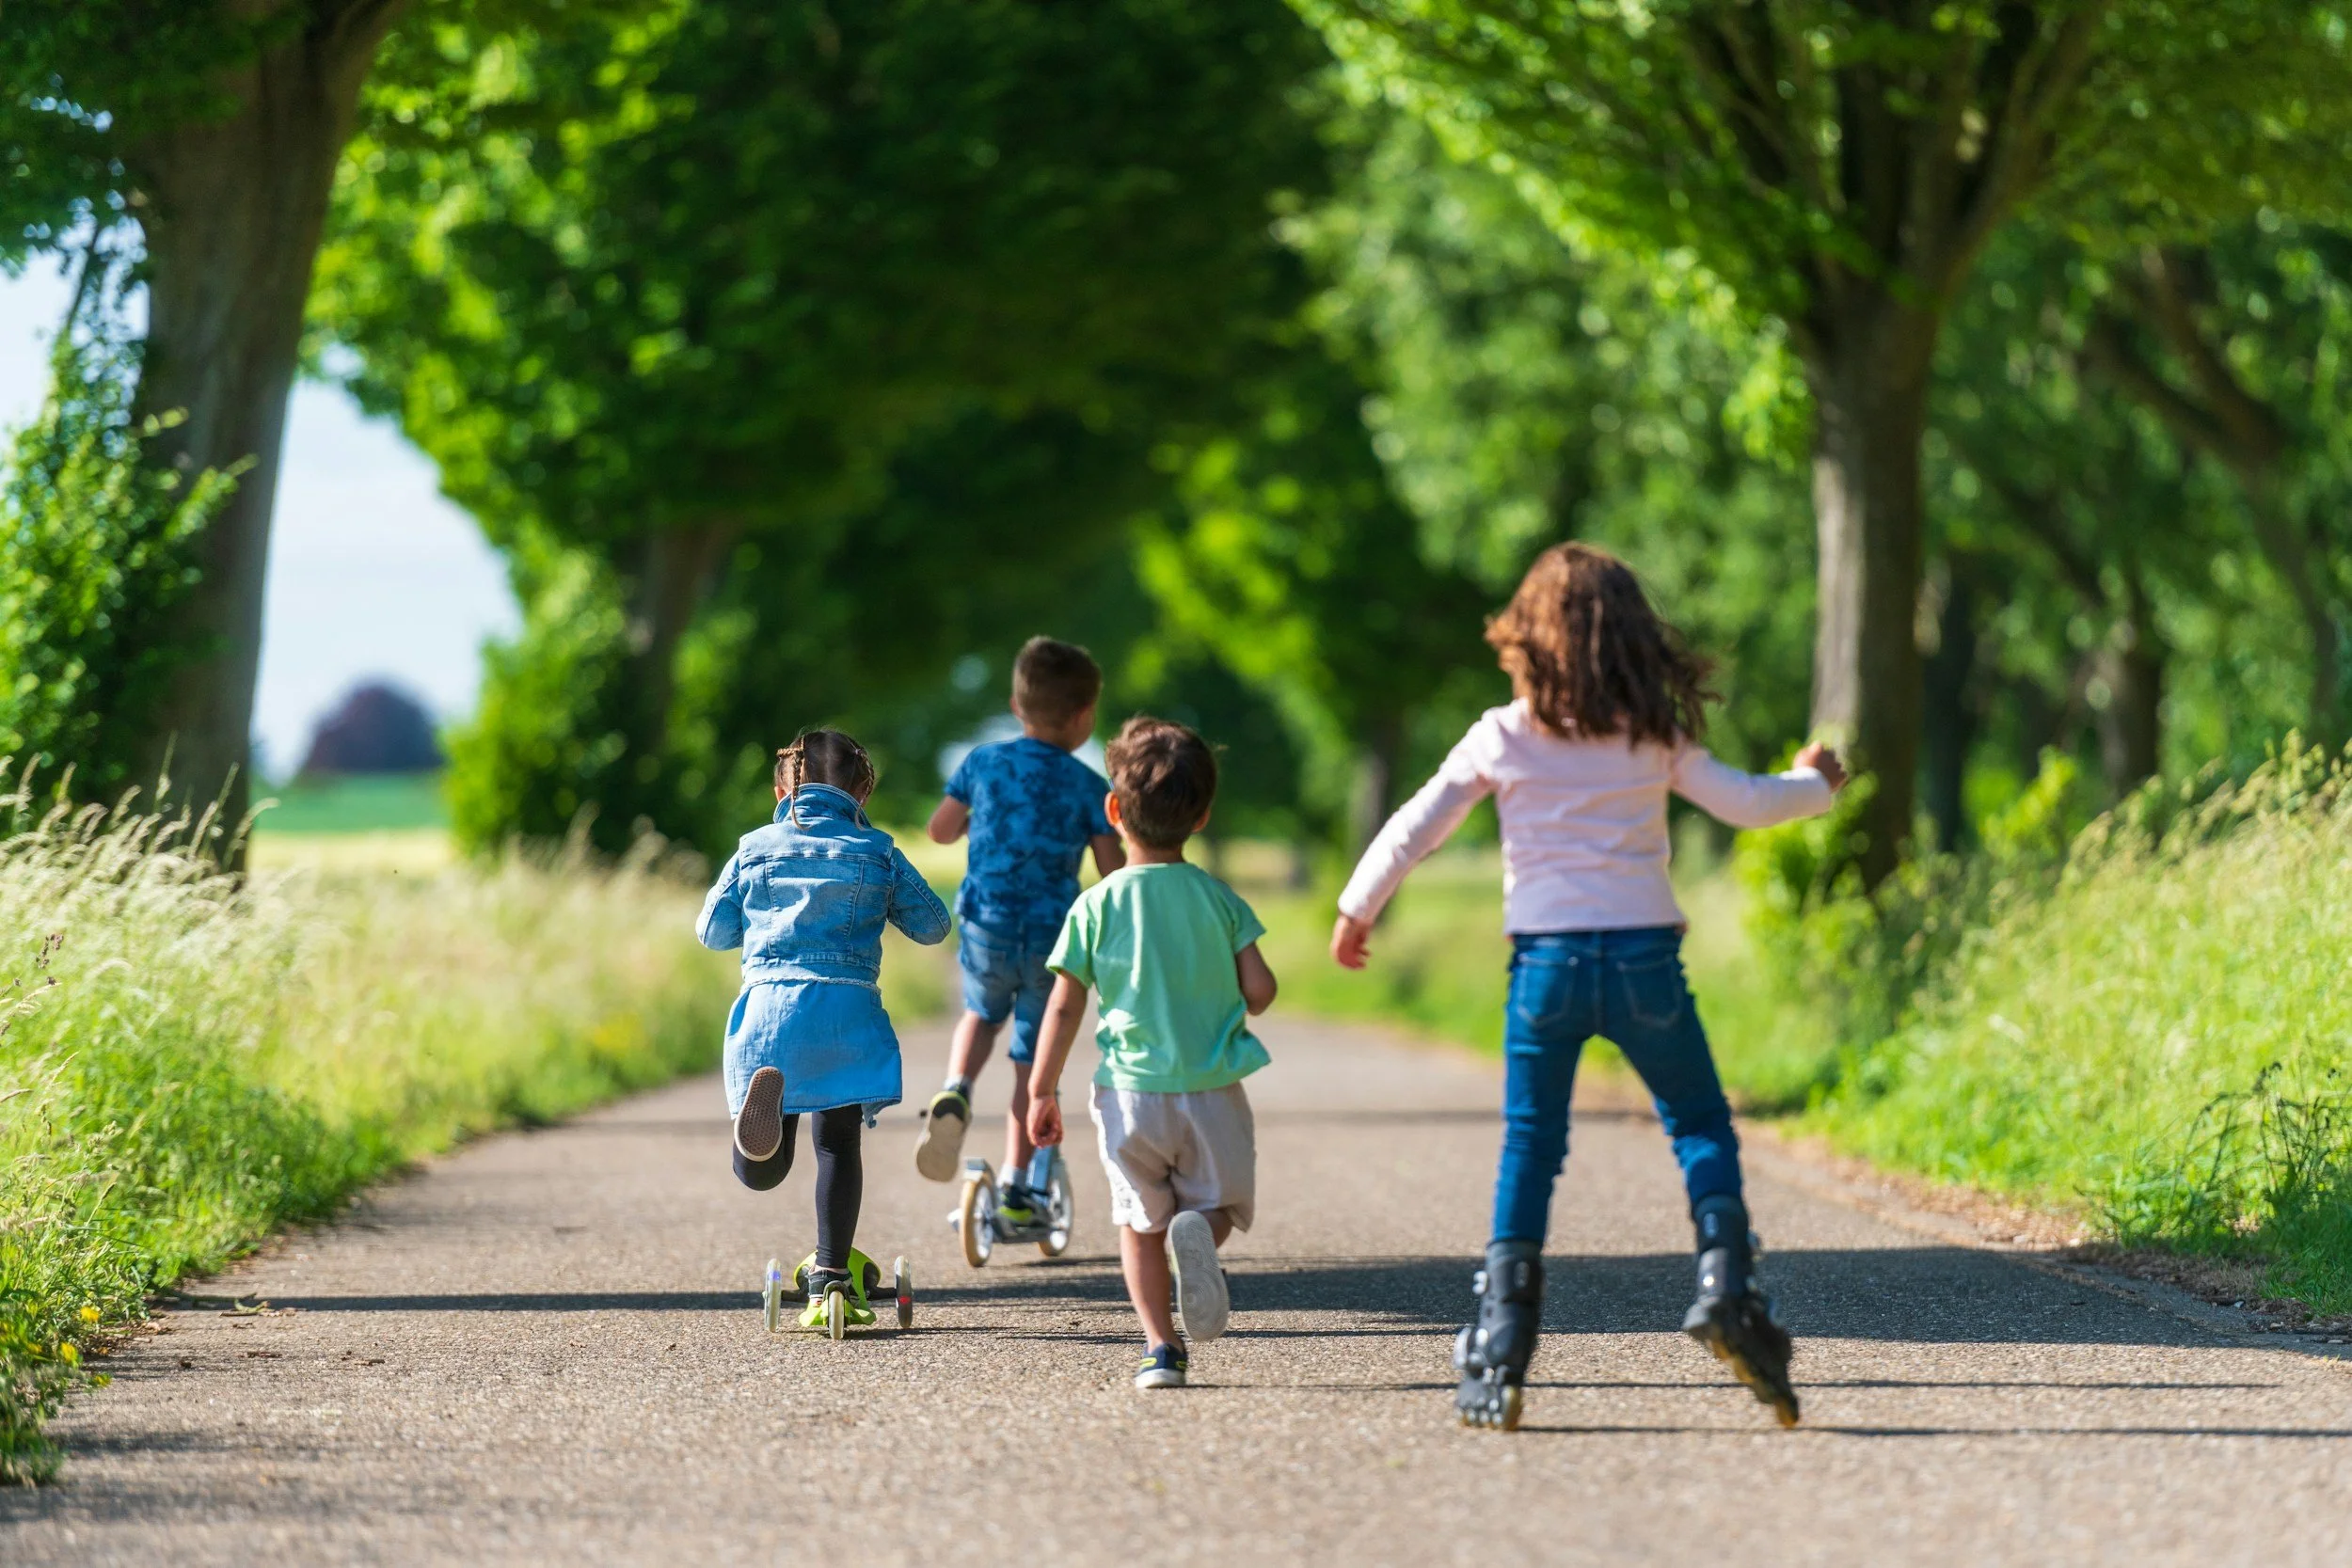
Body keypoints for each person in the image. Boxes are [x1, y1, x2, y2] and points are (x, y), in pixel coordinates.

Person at [1331, 543, 1846, 1432]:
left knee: (1531, 1144)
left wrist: (1357, 906)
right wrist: (1818, 783)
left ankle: (1503, 1334)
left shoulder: (1502, 732)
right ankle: (1728, 1282)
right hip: (1646, 960)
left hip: (1547, 968)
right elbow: (1749, 802)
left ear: (1527, 637)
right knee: (1698, 1125)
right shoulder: (1652, 733)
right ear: (1632, 637)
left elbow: (1419, 823)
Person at [1025, 717, 1277, 1390]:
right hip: (1212, 1088)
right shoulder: (1219, 897)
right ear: (1202, 815)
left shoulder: (1094, 904)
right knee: (1217, 1203)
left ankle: (1160, 1348)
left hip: (1129, 1094)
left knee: (1138, 1225)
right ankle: (1199, 1231)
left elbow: (1064, 1004)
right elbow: (1260, 990)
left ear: (1114, 810)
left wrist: (1040, 1088)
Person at [697, 729, 950, 1327]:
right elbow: (935, 926)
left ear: (783, 787)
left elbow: (712, 930)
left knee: (767, 1168)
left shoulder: (754, 846)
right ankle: (832, 1274)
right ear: (862, 791)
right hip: (844, 1011)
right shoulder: (877, 851)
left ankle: (752, 1146)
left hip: (768, 1012)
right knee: (838, 1143)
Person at [912, 637, 1124, 1223]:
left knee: (980, 1013)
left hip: (988, 922)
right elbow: (1113, 873)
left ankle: (956, 1086)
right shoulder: (1087, 787)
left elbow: (938, 830)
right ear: (1084, 719)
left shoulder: (982, 763)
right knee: (1033, 1061)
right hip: (1054, 937)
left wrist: (983, 821)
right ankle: (1018, 1188)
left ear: (1015, 702)